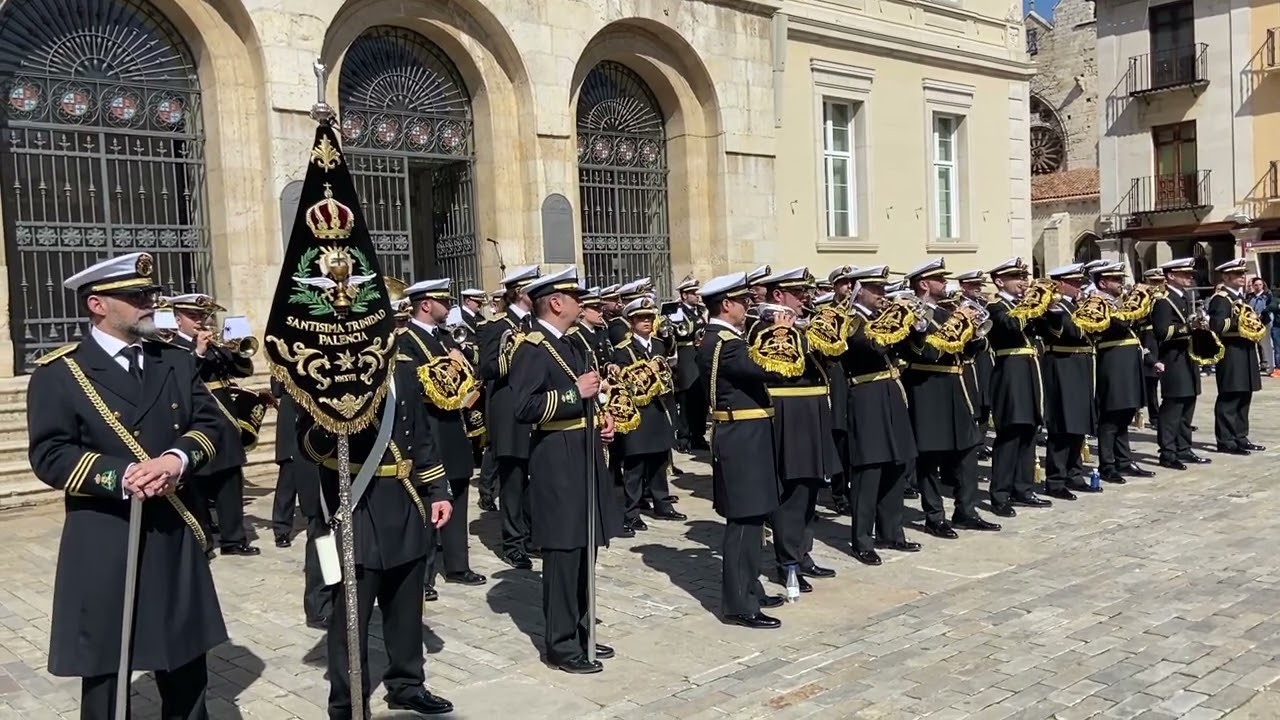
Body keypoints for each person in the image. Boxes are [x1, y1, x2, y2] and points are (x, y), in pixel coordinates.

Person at [28, 251, 228, 720]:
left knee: (185, 662)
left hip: (173, 529)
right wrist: (121, 476)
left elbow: (210, 428)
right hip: (106, 533)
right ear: (98, 304)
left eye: (150, 294)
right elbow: (50, 453)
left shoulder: (173, 362)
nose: (149, 303)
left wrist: (176, 461)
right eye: (136, 296)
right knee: (105, 666)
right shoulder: (59, 373)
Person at [296, 357, 456, 718]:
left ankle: (407, 684)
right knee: (348, 616)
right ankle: (346, 702)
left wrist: (437, 489)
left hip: (403, 498)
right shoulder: (323, 368)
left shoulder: (402, 368)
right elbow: (308, 446)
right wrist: (335, 415)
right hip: (350, 504)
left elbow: (421, 434)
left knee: (405, 607)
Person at [508, 266, 622, 673]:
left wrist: (601, 417)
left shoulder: (572, 344)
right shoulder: (532, 349)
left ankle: (581, 629)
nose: (582, 305)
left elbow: (587, 397)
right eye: (576, 299)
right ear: (556, 303)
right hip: (556, 457)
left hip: (584, 449)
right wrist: (576, 393)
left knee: (584, 547)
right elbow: (522, 407)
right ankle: (560, 643)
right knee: (563, 551)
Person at [695, 272, 786, 629]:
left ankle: (750, 587)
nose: (749, 306)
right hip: (741, 436)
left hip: (748, 432)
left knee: (754, 516)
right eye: (744, 302)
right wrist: (781, 332)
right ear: (727, 304)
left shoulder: (727, 339)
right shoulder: (724, 343)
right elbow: (774, 370)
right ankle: (739, 604)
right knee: (744, 521)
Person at [749, 267, 841, 583]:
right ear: (778, 295)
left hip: (812, 411)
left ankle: (802, 552)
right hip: (790, 413)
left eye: (806, 292)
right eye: (798, 293)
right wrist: (792, 333)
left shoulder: (802, 324)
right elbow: (781, 365)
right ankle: (787, 561)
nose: (806, 298)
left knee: (810, 487)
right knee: (793, 491)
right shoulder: (762, 325)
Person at [400, 277, 488, 600]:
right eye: (443, 301)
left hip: (453, 428)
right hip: (428, 429)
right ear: (426, 304)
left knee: (460, 496)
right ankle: (423, 576)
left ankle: (457, 564)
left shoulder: (446, 337)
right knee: (428, 504)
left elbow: (470, 375)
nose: (449, 306)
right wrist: (447, 365)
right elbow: (416, 384)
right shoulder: (405, 340)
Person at [900, 258, 1001, 538]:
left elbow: (966, 353)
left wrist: (975, 334)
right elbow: (930, 352)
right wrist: (959, 321)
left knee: (968, 451)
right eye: (940, 280)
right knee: (930, 457)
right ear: (923, 284)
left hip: (958, 387)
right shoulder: (912, 315)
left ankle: (966, 510)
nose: (945, 284)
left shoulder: (947, 313)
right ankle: (934, 516)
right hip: (927, 388)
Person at [838, 265, 920, 565]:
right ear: (860, 290)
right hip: (866, 395)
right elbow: (868, 346)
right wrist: (896, 320)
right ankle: (861, 538)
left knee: (897, 464)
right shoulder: (851, 319)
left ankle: (892, 531)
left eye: (884, 290)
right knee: (869, 470)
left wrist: (915, 325)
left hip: (891, 392)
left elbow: (912, 348)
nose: (882, 295)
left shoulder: (878, 318)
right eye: (876, 290)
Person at [168, 293, 260, 556]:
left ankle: (234, 540)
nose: (201, 321)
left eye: (203, 316)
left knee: (230, 482)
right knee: (197, 486)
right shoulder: (171, 348)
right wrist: (197, 352)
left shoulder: (216, 345)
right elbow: (178, 382)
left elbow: (244, 371)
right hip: (194, 423)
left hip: (225, 423)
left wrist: (236, 349)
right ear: (178, 320)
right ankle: (203, 542)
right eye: (194, 316)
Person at [479, 265, 541, 569]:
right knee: (514, 480)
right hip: (510, 412)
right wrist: (513, 354)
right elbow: (486, 369)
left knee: (536, 477)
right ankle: (513, 542)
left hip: (538, 410)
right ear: (521, 293)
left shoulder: (538, 324)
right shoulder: (496, 326)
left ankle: (533, 533)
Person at [611, 297, 687, 532]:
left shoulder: (658, 344)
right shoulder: (623, 350)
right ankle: (631, 512)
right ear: (631, 322)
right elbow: (624, 382)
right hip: (638, 414)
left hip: (659, 409)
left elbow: (669, 372)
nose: (646, 322)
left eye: (649, 318)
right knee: (635, 466)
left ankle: (662, 503)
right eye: (641, 318)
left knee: (660, 460)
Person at [984, 258, 1051, 517]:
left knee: (1028, 431)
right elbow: (1012, 325)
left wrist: (1050, 306)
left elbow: (1048, 329)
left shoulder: (1020, 306)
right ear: (1000, 281)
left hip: (1030, 371)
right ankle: (999, 494)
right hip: (1010, 372)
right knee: (1010, 433)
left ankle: (1023, 487)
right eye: (1015, 277)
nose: (1022, 282)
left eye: (1023, 277)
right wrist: (1032, 303)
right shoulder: (995, 306)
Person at [269, 376, 332, 628]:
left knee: (333, 534)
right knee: (322, 532)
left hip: (341, 460)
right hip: (315, 454)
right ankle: (319, 605)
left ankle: (334, 593)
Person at [1088, 262, 1157, 484]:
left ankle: (1124, 460)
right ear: (1103, 283)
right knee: (1111, 417)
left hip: (1127, 362)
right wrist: (1136, 304)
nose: (1121, 284)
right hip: (1113, 363)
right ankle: (1108, 465)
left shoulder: (1117, 303)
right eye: (1116, 280)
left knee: (1124, 414)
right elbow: (1117, 325)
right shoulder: (1096, 303)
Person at [1036, 264, 1100, 500]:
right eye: (1073, 283)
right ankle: (1056, 480)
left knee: (1078, 424)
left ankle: (1074, 473)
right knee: (1063, 425)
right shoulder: (1054, 306)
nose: (1078, 287)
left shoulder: (1074, 305)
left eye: (1079, 283)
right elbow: (1072, 332)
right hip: (1062, 366)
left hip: (1080, 366)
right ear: (1060, 283)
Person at [1153, 258, 1211, 469]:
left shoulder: (1184, 296)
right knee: (1173, 406)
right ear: (1170, 276)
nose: (1190, 277)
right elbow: (1162, 331)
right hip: (1173, 358)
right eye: (1185, 274)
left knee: (1188, 404)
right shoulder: (1163, 300)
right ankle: (1168, 452)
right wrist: (1189, 327)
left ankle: (1183, 448)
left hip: (1187, 356)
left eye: (1190, 274)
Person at [1208, 259, 1266, 455]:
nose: (1243, 277)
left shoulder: (1241, 298)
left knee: (1244, 394)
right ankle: (1226, 439)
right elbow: (1217, 325)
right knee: (1230, 396)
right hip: (1231, 352)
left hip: (1246, 351)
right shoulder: (1221, 299)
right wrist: (1240, 323)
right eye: (1238, 274)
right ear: (1226, 277)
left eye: (1244, 273)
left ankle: (1240, 436)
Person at [671, 276, 709, 453]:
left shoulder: (699, 310)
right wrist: (701, 321)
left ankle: (698, 435)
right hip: (686, 355)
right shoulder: (676, 310)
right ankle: (684, 437)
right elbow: (681, 330)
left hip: (698, 355)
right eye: (693, 293)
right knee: (686, 400)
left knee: (701, 399)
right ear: (684, 295)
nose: (697, 296)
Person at [1138, 268, 1167, 427]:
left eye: (1160, 282)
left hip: (1163, 341)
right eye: (1154, 282)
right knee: (1151, 383)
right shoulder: (1142, 299)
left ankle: (1170, 416)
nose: (1158, 285)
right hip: (1149, 340)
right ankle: (1155, 417)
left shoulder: (1165, 298)